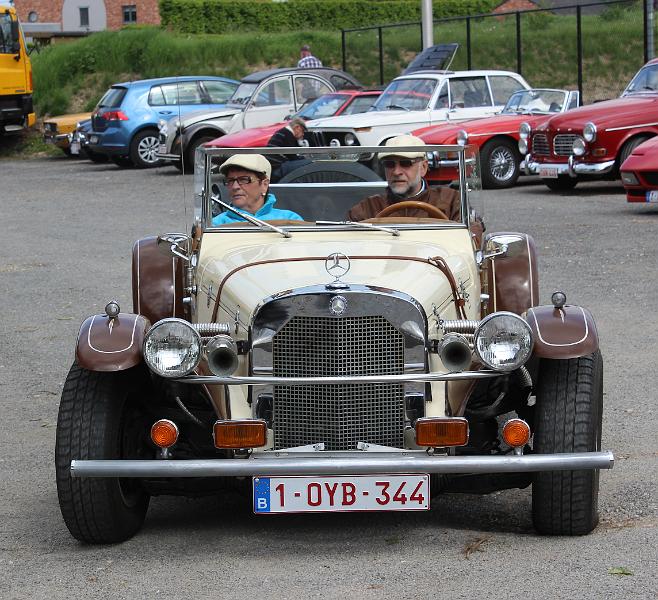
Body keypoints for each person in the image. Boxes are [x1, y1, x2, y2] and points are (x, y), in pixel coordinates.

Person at [347, 134, 461, 222]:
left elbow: (472, 238)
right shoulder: (368, 208)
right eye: (390, 164)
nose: (396, 172)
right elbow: (346, 242)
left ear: (423, 167)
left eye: (406, 163)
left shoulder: (450, 200)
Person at [212, 154, 303, 225]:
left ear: (264, 184)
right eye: (230, 180)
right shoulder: (216, 224)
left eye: (244, 179)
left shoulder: (290, 219)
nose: (235, 187)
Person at [266, 117, 312, 182]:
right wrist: (306, 160)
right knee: (305, 164)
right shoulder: (288, 135)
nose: (303, 134)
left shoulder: (283, 132)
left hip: (271, 166)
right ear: (297, 127)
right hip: (277, 166)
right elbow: (292, 156)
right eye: (302, 131)